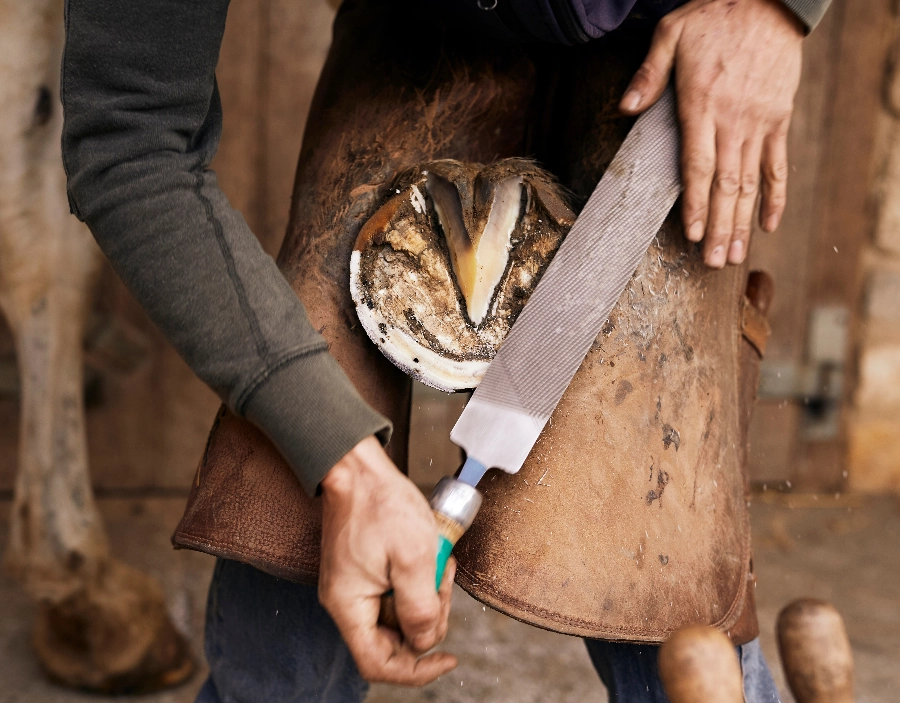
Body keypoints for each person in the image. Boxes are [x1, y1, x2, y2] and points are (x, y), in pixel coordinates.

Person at [61, 0, 828, 699]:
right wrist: (346, 467)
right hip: (421, 34)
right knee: (288, 511)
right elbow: (131, 143)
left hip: (674, 37)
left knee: (657, 537)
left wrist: (774, 12)